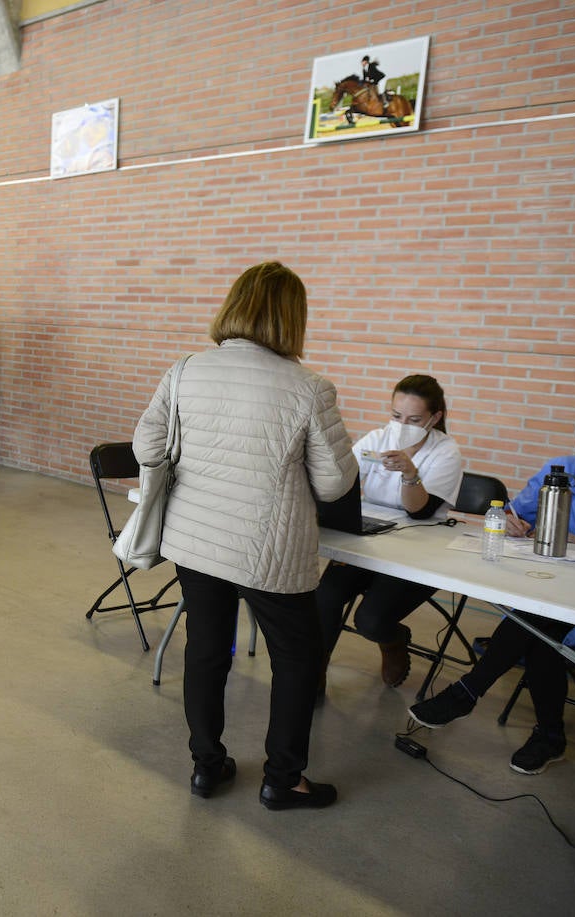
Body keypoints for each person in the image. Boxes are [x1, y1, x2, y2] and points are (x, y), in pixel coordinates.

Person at [132, 262, 356, 809]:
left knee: (207, 650)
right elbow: (333, 484)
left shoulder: (185, 370)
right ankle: (284, 779)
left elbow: (145, 448)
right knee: (297, 659)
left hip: (196, 539)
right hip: (268, 550)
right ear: (292, 318)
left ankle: (207, 767)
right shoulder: (310, 387)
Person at [409, 390, 575, 773]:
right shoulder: (561, 469)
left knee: (540, 632)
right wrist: (510, 521)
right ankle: (547, 736)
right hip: (553, 593)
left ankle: (471, 693)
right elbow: (516, 511)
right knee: (541, 624)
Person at [315, 375, 464, 689]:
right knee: (325, 597)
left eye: (413, 419)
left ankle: (394, 639)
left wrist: (410, 474)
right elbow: (342, 480)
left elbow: (419, 511)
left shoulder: (446, 451)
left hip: (418, 546)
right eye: (396, 416)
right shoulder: (377, 438)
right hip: (370, 535)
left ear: (435, 418)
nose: (401, 424)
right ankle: (312, 678)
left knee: (370, 620)